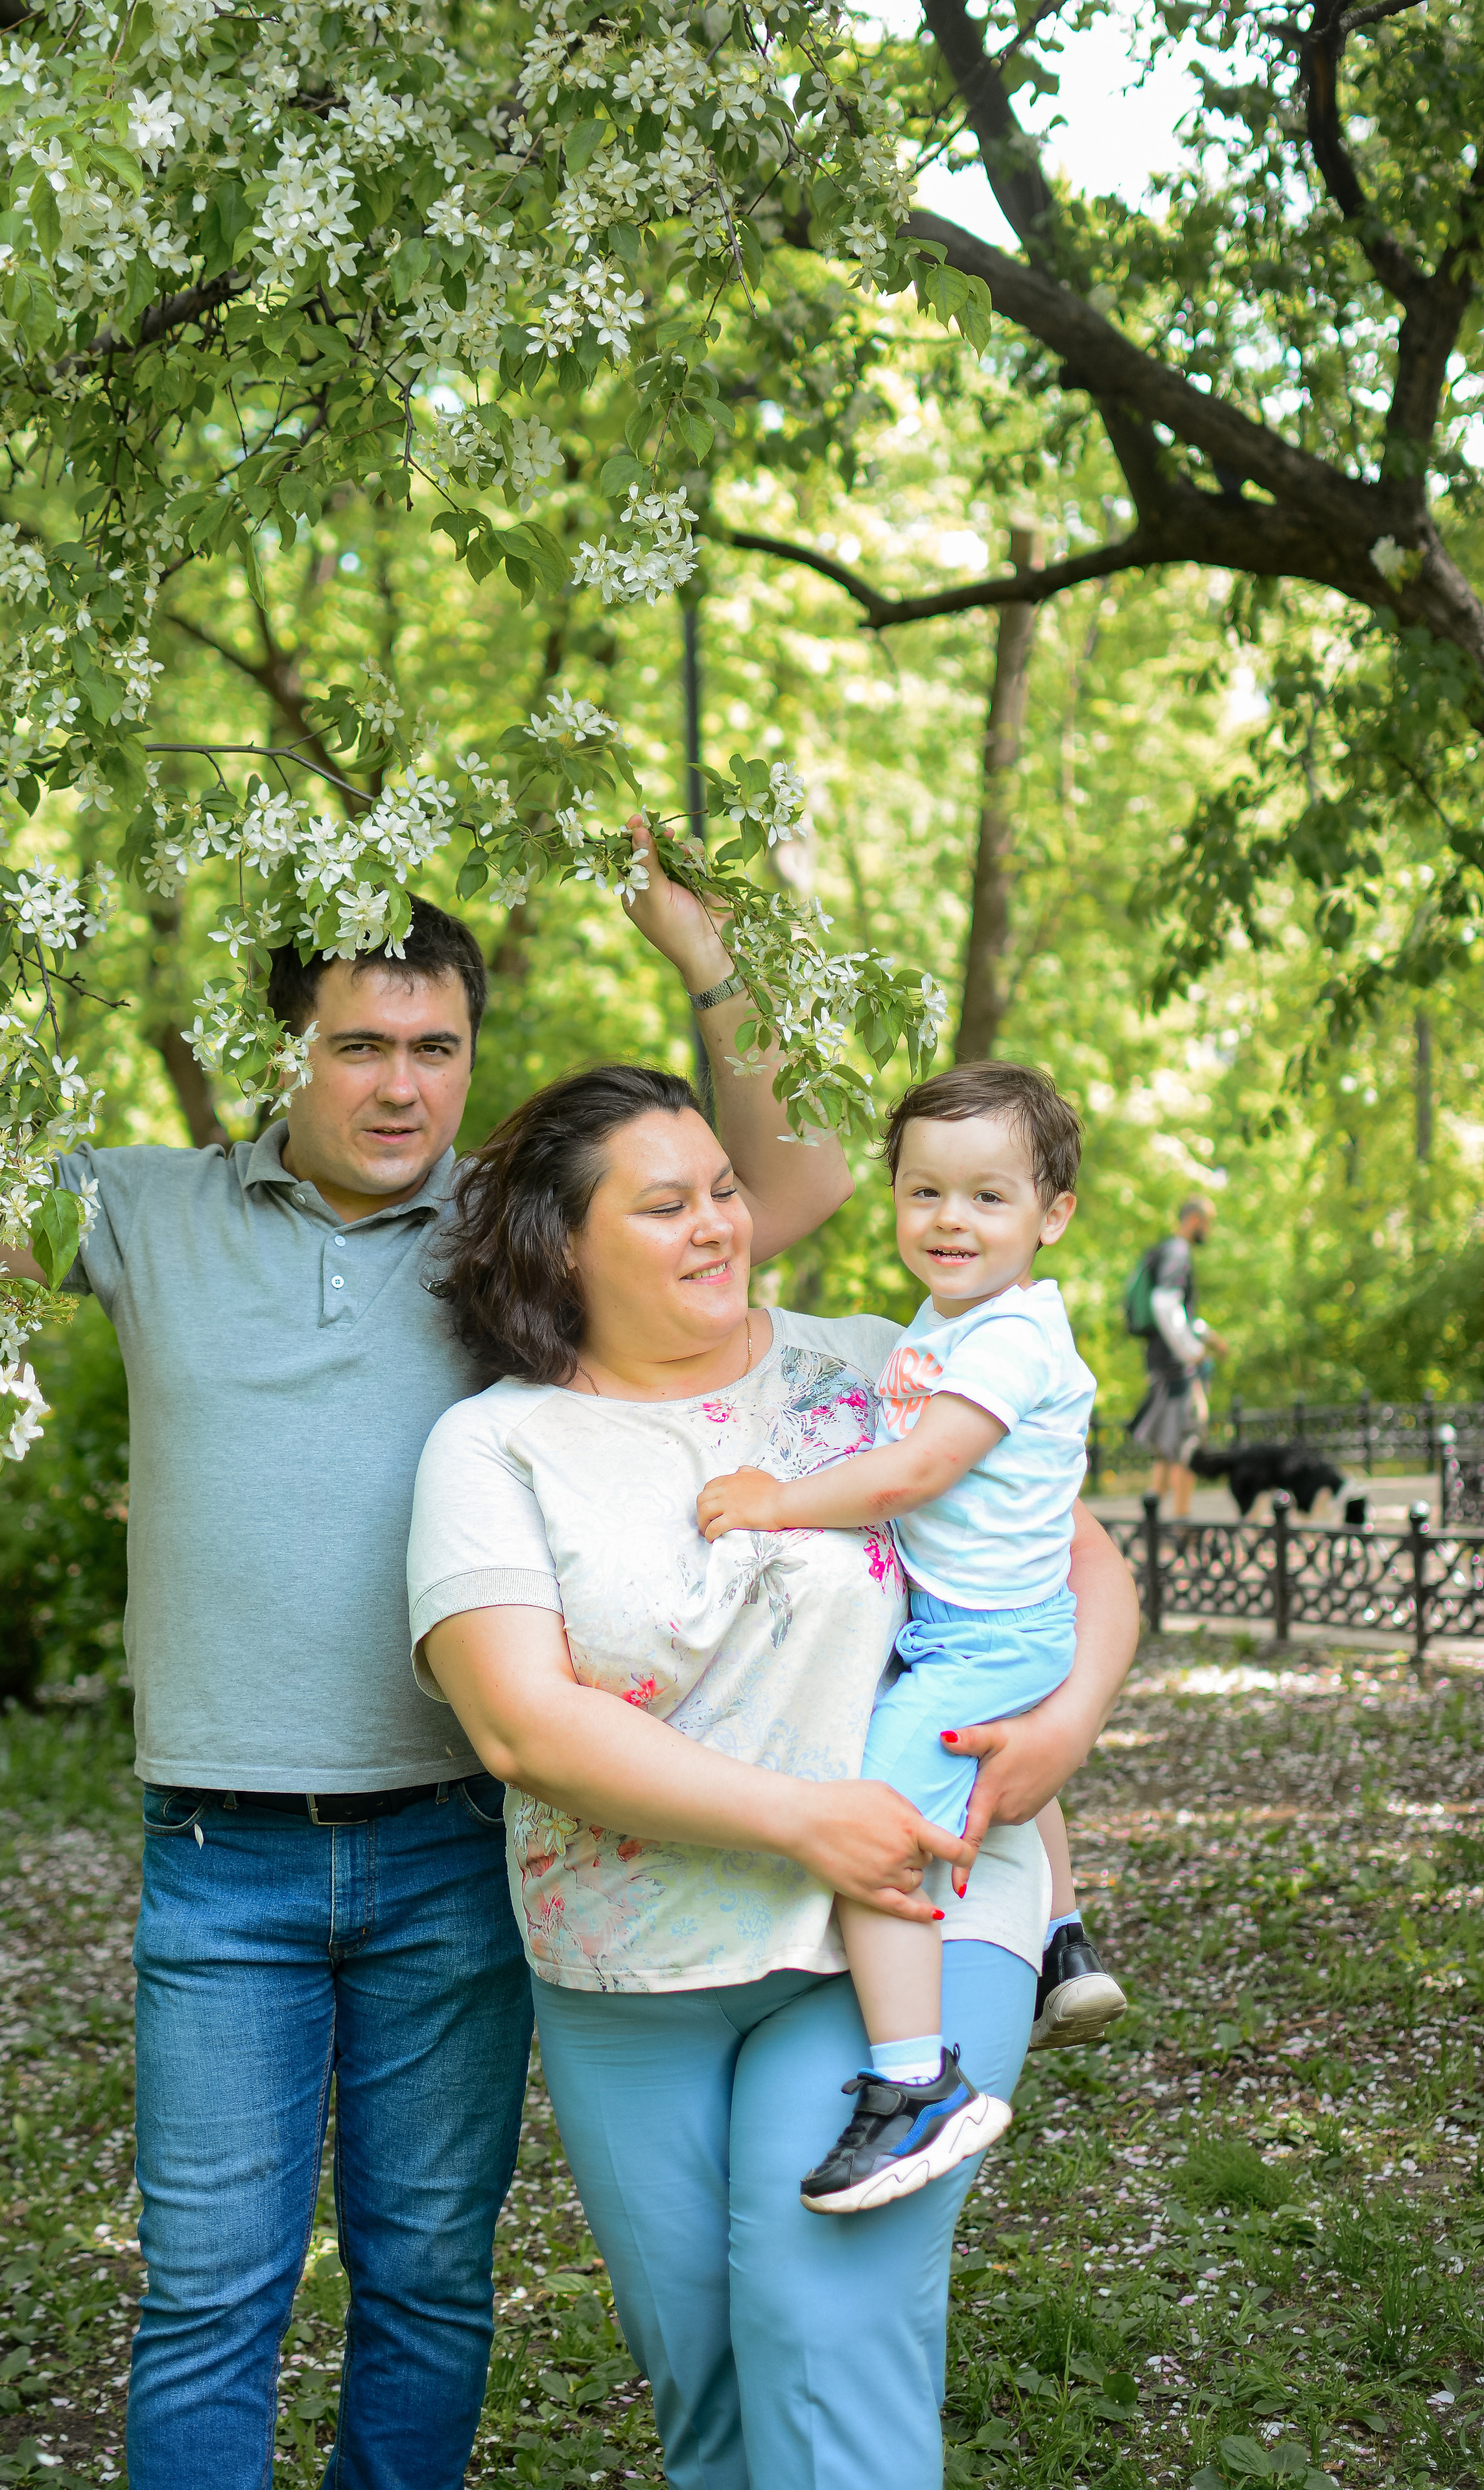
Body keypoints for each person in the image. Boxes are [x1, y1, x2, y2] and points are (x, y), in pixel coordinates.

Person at [0, 830, 855, 2490]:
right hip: (216, 1860)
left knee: (428, 2289)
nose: (402, 1086)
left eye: (436, 1046)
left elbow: (798, 1184)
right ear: (286, 1049)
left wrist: (706, 950)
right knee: (207, 2300)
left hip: (453, 1849)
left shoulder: (506, 1232)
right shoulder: (146, 1209)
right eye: (360, 1044)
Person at [409, 1063, 1141, 2490]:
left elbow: (1078, 1555)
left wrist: (1066, 1727)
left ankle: (913, 2079)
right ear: (565, 1241)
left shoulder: (880, 1364)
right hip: (634, 1959)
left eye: (725, 1193)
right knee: (710, 2379)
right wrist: (799, 1818)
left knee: (819, 2321)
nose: (715, 1228)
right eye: (666, 1203)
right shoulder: (492, 1445)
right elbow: (518, 1726)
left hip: (903, 1916)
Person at [696, 1063, 1125, 2212]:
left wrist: (775, 1499)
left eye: (989, 1198)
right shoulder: (955, 1321)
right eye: (925, 1192)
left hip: (988, 1631)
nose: (951, 1220)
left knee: (877, 1832)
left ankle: (914, 2081)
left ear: (1054, 1215)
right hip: (978, 1619)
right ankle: (1062, 1932)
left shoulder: (1011, 1341)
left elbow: (925, 1467)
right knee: (991, 1760)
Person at [1128, 1195, 1227, 1517]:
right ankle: (1183, 1525)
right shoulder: (1178, 1252)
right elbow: (1165, 1303)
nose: (1209, 1230)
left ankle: (1153, 1521)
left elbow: (1180, 1312)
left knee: (1168, 1449)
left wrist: (1209, 1338)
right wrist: (1194, 1353)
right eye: (1208, 1222)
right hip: (1177, 1370)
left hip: (1161, 1363)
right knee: (1188, 1446)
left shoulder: (1167, 1251)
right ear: (1195, 1220)